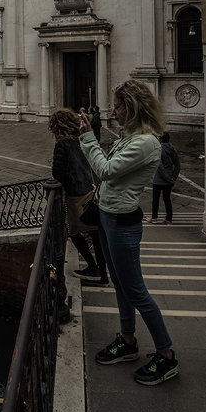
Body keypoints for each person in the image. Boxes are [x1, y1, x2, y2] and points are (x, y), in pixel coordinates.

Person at [79, 79, 178, 385]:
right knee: (120, 286)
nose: (115, 110)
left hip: (123, 224)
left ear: (132, 107)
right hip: (110, 217)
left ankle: (166, 355)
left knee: (136, 290)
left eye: (119, 105)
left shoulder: (147, 142)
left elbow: (107, 170)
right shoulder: (130, 136)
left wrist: (87, 139)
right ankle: (127, 339)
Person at [49, 109, 107, 285]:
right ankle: (102, 273)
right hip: (92, 191)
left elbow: (58, 173)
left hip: (76, 195)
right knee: (95, 234)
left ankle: (92, 266)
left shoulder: (62, 144)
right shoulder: (82, 140)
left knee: (74, 232)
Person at [146, 132, 180, 224]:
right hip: (170, 179)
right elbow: (177, 165)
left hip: (158, 179)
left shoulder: (159, 149)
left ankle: (154, 217)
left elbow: (159, 166)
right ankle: (169, 218)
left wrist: (167, 178)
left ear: (161, 139)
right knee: (167, 199)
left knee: (156, 199)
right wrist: (173, 177)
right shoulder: (173, 149)